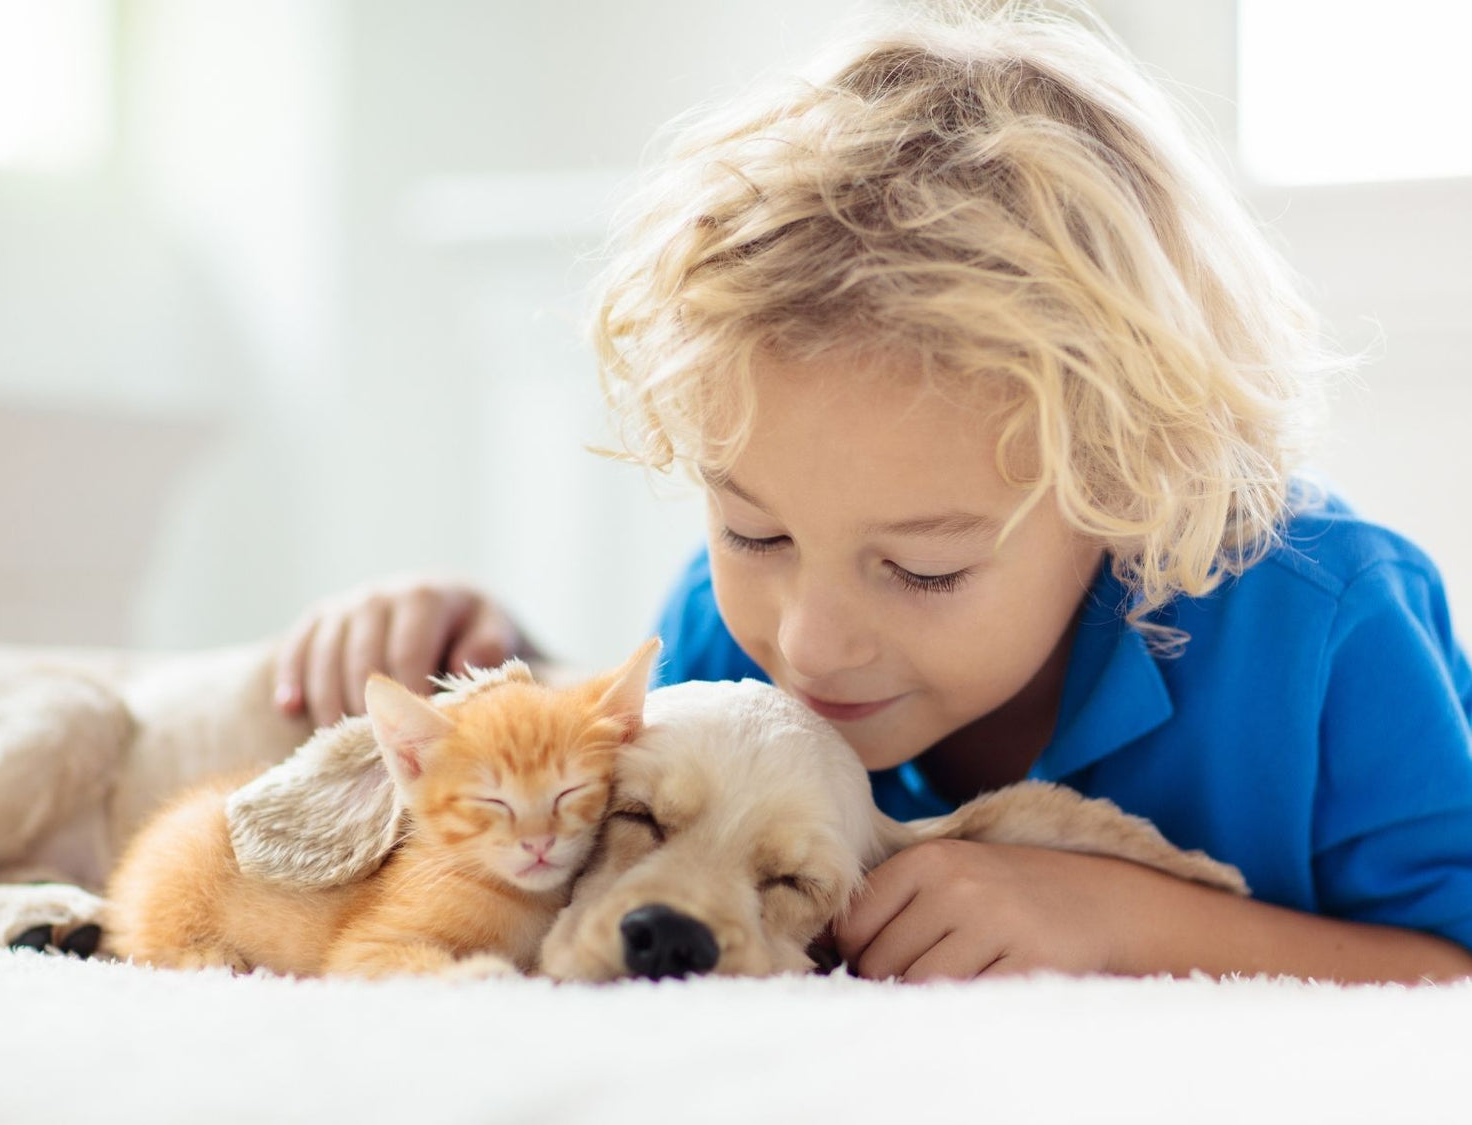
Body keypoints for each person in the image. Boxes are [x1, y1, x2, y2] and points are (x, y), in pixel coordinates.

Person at [273, 5, 1472, 983]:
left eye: (924, 567)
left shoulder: (1332, 623)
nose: (809, 642)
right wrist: (492, 660)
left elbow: (1452, 970)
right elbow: (628, 817)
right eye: (754, 530)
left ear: (1128, 493)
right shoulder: (728, 632)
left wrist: (1123, 923)